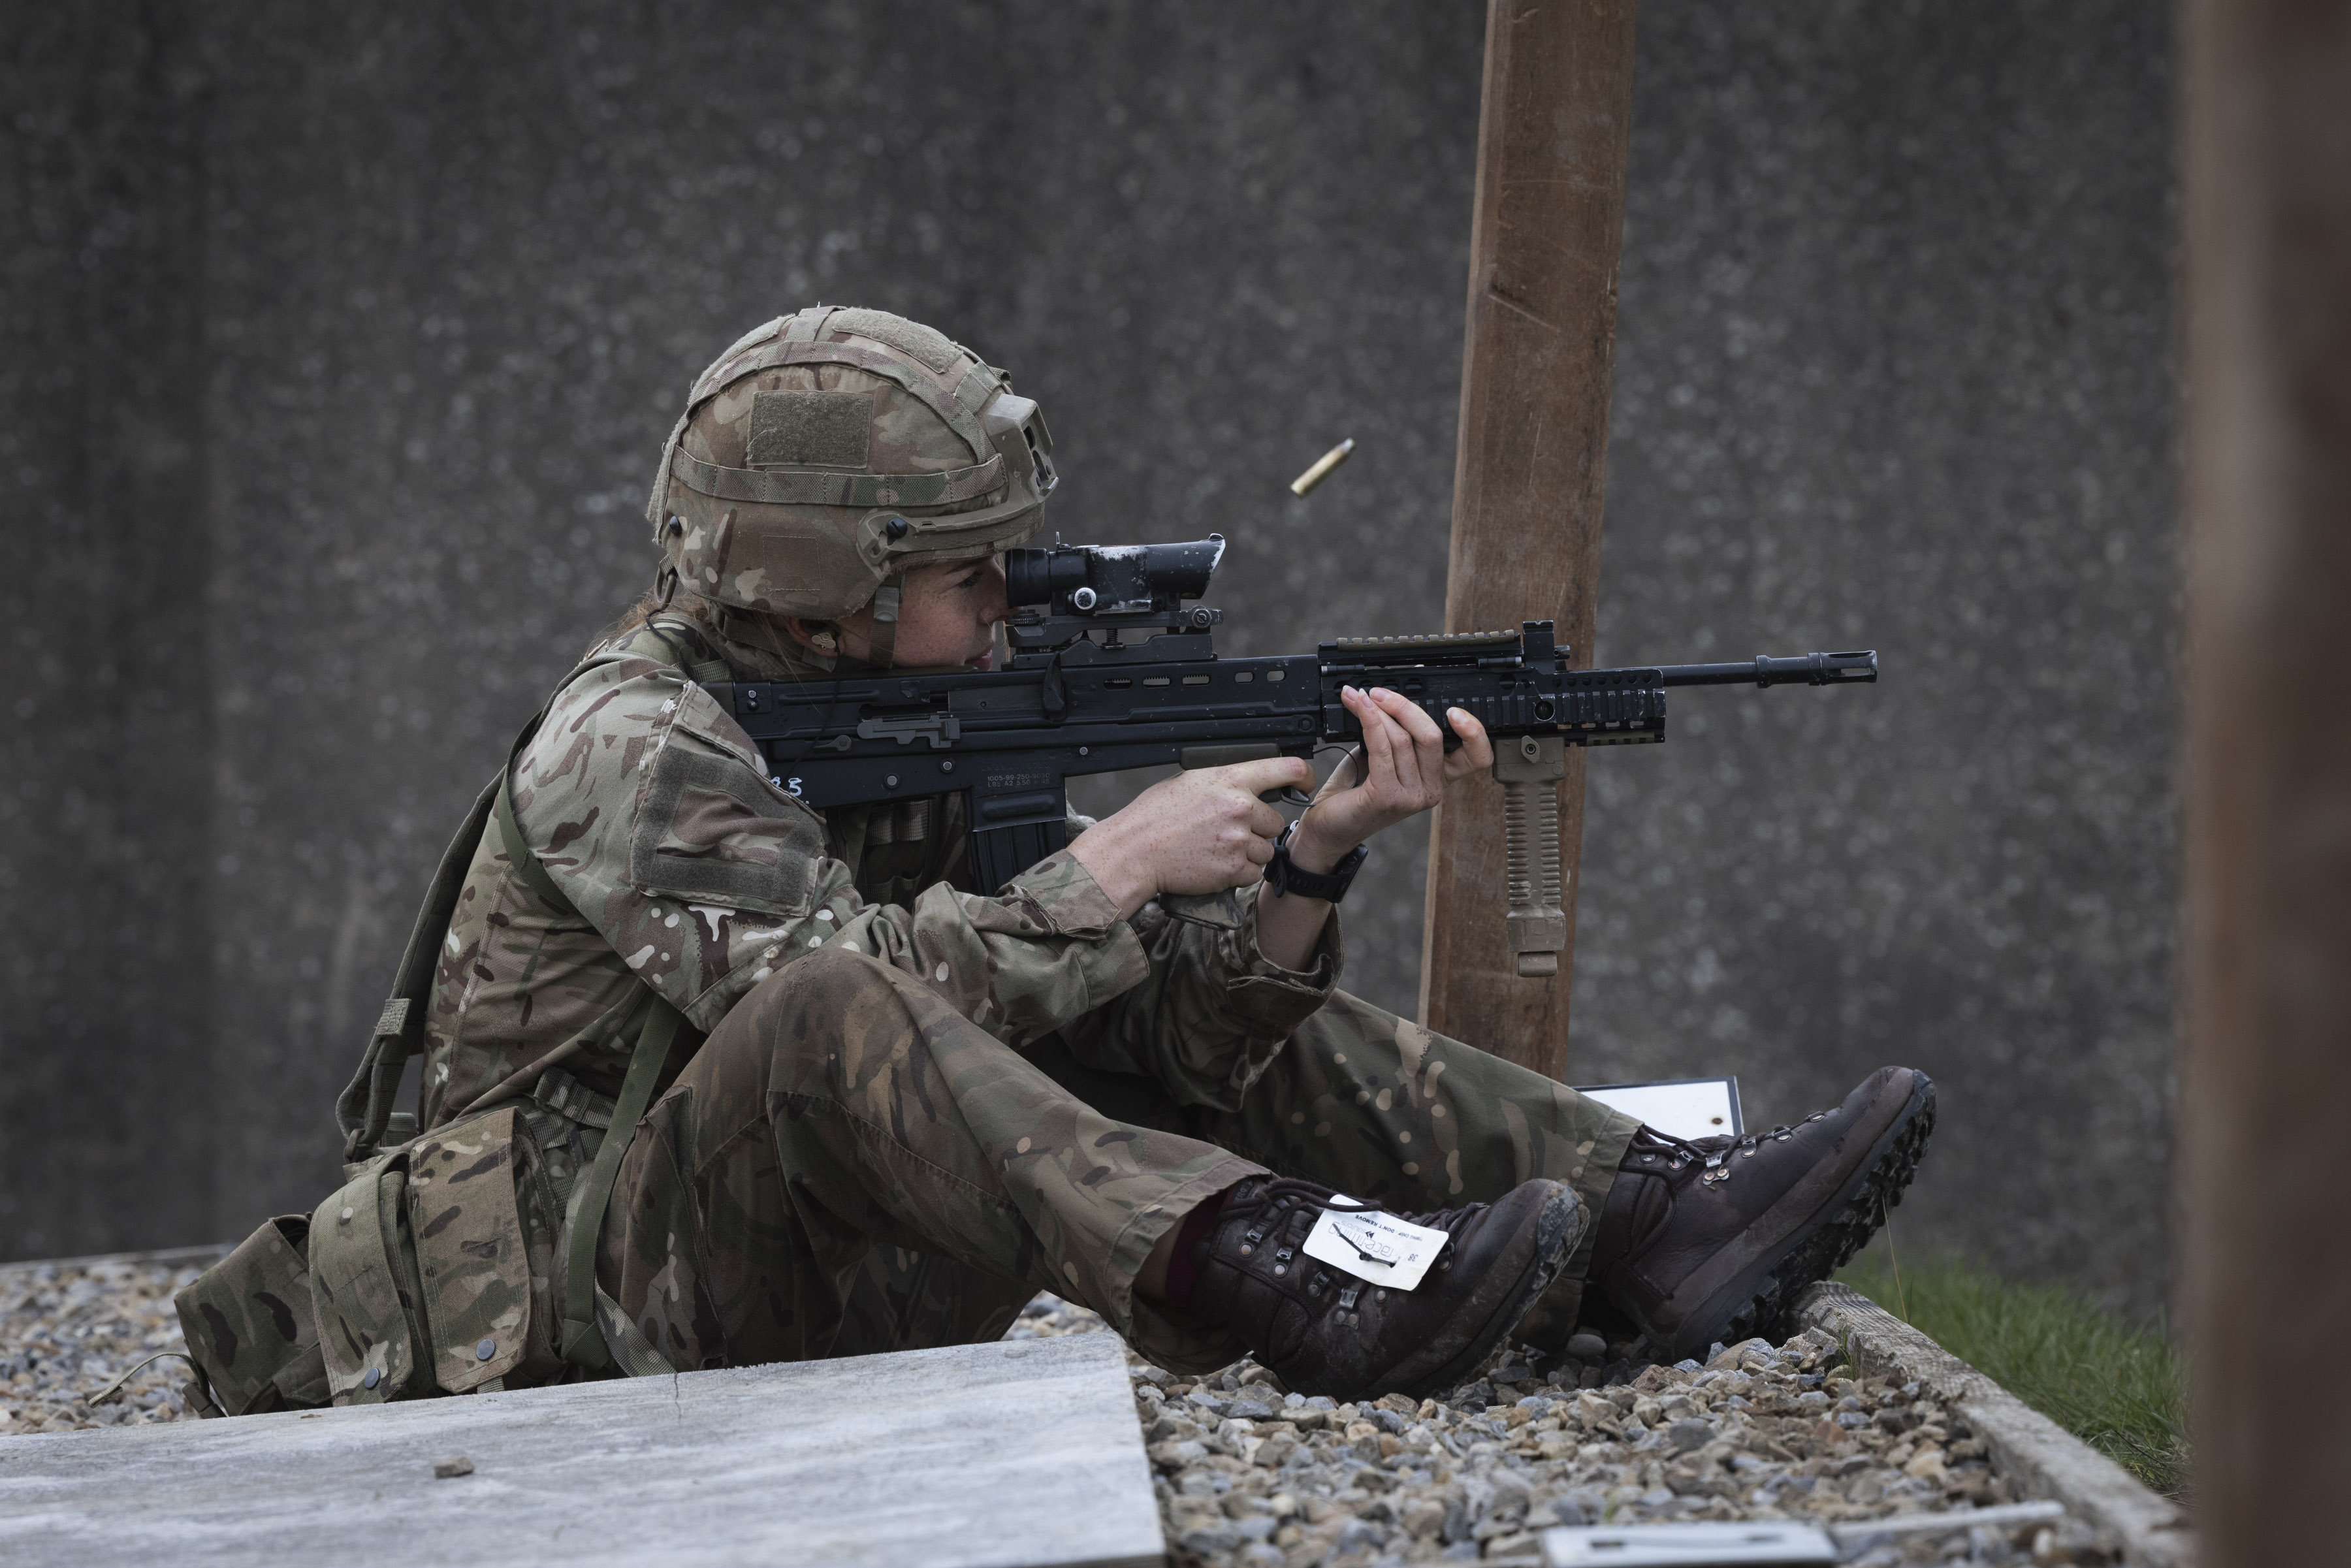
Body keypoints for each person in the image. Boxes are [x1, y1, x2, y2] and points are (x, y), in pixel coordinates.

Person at [375, 306, 1931, 1403]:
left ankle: (1658, 1216)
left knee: (1078, 981)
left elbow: (1162, 1037)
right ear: (818, 583)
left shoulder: (879, 696)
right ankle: (1316, 1282)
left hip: (818, 1263)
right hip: (596, 1302)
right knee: (839, 1004)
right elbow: (843, 1022)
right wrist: (1117, 861)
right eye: (963, 570)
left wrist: (1308, 864)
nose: (1007, 593)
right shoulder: (630, 745)